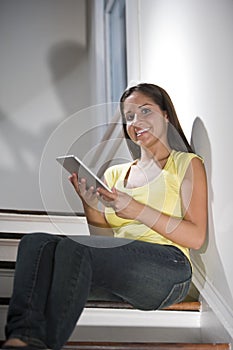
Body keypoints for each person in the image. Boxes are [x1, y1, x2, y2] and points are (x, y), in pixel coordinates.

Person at [1, 83, 208, 350]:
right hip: (125, 272)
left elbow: (196, 236)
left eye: (146, 111)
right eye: (129, 116)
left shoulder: (185, 164)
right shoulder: (115, 175)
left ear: (166, 115)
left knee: (72, 248)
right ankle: (22, 338)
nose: (136, 121)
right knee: (36, 243)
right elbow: (103, 242)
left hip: (170, 269)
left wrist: (136, 209)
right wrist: (90, 206)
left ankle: (46, 344)